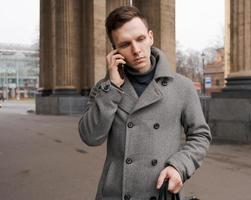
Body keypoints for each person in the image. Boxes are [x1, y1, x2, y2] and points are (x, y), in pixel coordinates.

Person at [78, 6, 211, 200]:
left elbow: (201, 135)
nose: (136, 50)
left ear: (150, 37)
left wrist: (179, 166)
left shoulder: (182, 86)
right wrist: (113, 87)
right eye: (125, 44)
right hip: (115, 194)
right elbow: (91, 137)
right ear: (115, 50)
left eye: (140, 39)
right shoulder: (105, 89)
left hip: (160, 192)